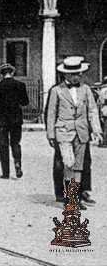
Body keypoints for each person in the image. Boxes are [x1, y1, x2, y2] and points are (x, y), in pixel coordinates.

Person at [46, 56, 102, 208]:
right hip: (63, 132)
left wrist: (97, 130)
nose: (76, 76)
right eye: (73, 74)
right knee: (68, 164)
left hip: (81, 132)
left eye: (78, 73)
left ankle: (75, 199)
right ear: (65, 75)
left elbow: (92, 111)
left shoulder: (86, 90)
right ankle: (69, 199)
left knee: (78, 166)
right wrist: (51, 135)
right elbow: (51, 114)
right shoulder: (57, 91)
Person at [0, 62, 30, 179]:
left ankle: (6, 173)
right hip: (16, 118)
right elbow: (25, 102)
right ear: (12, 72)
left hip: (2, 119)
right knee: (15, 143)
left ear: (1, 74)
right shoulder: (20, 85)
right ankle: (17, 164)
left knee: (3, 145)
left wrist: (0, 100)